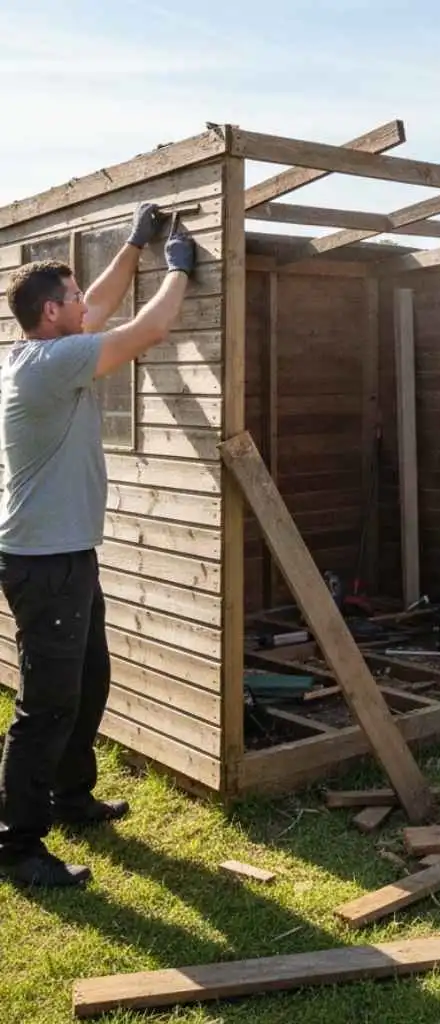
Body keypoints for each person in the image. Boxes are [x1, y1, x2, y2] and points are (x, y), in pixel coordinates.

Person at [0, 204, 196, 887]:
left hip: (65, 552)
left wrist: (138, 245)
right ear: (53, 314)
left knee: (88, 679)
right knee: (46, 704)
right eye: (75, 298)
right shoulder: (50, 365)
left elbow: (105, 301)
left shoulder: (45, 347)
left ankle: (69, 796)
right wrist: (179, 269)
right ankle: (18, 844)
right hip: (44, 561)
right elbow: (149, 326)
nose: (87, 302)